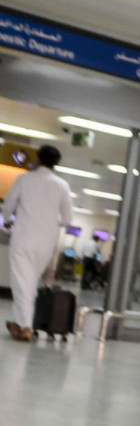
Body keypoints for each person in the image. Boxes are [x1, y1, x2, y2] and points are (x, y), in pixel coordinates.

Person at [1, 145, 72, 342]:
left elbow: (8, 205)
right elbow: (67, 219)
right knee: (29, 282)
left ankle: (25, 326)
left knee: (21, 282)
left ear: (38, 159)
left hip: (24, 237)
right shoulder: (62, 185)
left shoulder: (24, 179)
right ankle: (18, 323)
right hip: (46, 242)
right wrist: (50, 223)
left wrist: (7, 219)